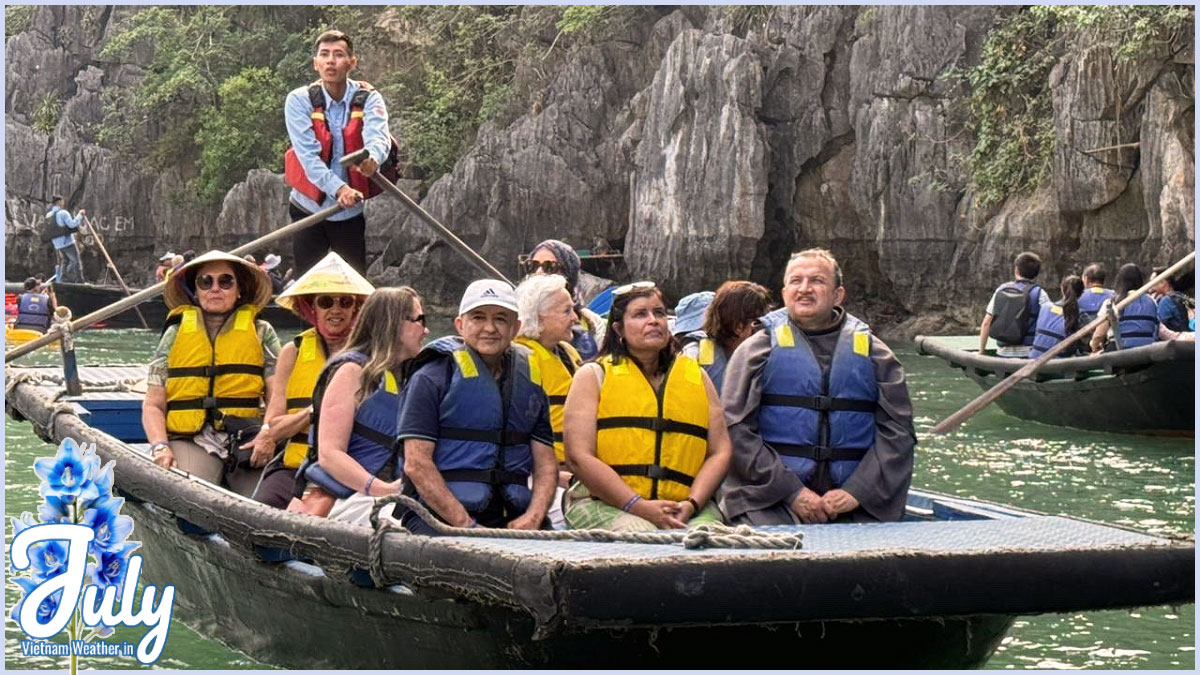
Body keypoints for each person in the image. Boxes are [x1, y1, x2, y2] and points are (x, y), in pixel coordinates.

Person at [720, 249, 916, 525]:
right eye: (796, 281)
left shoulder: (876, 354)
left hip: (856, 502)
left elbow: (898, 432)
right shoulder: (755, 351)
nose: (804, 289)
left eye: (817, 281)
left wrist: (857, 491)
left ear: (838, 295)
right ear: (785, 292)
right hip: (769, 498)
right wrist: (792, 491)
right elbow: (736, 431)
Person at [562, 281, 731, 531]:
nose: (653, 320)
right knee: (642, 533)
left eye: (659, 313)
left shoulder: (697, 376)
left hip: (685, 505)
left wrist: (692, 503)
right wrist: (638, 505)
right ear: (618, 328)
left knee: (711, 538)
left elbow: (720, 451)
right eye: (640, 314)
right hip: (604, 503)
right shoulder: (593, 375)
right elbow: (578, 456)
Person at [395, 279, 557, 533]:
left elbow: (546, 464)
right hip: (441, 517)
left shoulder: (530, 382)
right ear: (460, 325)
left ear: (516, 328)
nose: (490, 328)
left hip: (513, 517)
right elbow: (416, 463)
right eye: (478, 317)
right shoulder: (430, 378)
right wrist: (466, 525)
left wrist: (534, 517)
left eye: (501, 319)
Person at [141, 250, 281, 497]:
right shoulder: (175, 334)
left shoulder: (261, 331)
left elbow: (278, 394)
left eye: (225, 281)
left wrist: (267, 434)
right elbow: (153, 404)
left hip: (247, 436)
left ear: (239, 290)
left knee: (266, 502)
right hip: (192, 439)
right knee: (194, 499)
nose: (215, 288)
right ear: (195, 291)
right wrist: (160, 447)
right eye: (205, 282)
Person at [289, 286, 428, 524]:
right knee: (406, 524)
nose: (425, 330)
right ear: (393, 323)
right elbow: (330, 454)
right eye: (418, 320)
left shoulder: (407, 377)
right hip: (342, 499)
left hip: (382, 498)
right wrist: (382, 489)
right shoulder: (351, 372)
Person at [252, 252, 374, 509]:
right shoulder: (293, 352)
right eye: (326, 302)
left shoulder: (371, 355)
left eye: (345, 302)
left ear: (357, 308)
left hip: (351, 466)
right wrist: (315, 411)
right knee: (263, 507)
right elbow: (274, 427)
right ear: (312, 307)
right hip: (296, 465)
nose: (336, 310)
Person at [284, 29, 392, 276]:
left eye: (338, 54)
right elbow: (308, 157)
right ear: (316, 63)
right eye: (324, 55)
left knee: (352, 288)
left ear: (352, 62)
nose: (331, 61)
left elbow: (378, 137)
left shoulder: (370, 98)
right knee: (308, 289)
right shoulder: (299, 100)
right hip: (308, 209)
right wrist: (339, 188)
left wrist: (372, 159)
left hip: (349, 212)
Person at [514, 273, 582, 529]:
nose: (575, 318)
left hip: (579, 470)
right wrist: (556, 475)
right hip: (540, 476)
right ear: (539, 317)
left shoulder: (568, 352)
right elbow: (516, 430)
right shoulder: (522, 359)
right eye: (566, 311)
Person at [679, 281, 772, 392]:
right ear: (739, 327)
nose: (769, 330)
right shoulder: (693, 356)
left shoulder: (768, 359)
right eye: (762, 323)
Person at [523, 240, 604, 359]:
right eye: (533, 266)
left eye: (550, 267)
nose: (538, 272)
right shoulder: (514, 317)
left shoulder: (593, 323)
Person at [1089, 263, 1183, 353]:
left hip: (1119, 353)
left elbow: (1099, 335)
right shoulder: (1152, 301)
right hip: (1147, 353)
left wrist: (1094, 346)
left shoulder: (1111, 303)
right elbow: (1158, 329)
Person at [978, 251, 1051, 357]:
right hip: (1029, 353)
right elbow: (1049, 322)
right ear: (1036, 274)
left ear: (1016, 269)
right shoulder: (1040, 293)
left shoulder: (1002, 289)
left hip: (1003, 352)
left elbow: (986, 322)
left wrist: (981, 351)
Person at [1029, 275, 1085, 359]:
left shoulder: (1045, 307)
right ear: (1082, 293)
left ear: (1062, 289)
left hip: (1034, 358)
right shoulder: (1081, 314)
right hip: (1058, 363)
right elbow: (1086, 344)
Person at [46, 195, 86, 283]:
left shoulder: (48, 215)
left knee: (65, 261)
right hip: (67, 242)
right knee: (76, 261)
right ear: (59, 202)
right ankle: (80, 280)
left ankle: (63, 279)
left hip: (57, 244)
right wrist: (80, 215)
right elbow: (72, 224)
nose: (63, 203)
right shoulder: (63, 213)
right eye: (62, 201)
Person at [1150, 265, 1194, 333]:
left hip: (1173, 340)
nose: (1151, 285)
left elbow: (1161, 326)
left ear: (1163, 282)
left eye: (1153, 282)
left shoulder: (1165, 301)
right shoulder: (1181, 296)